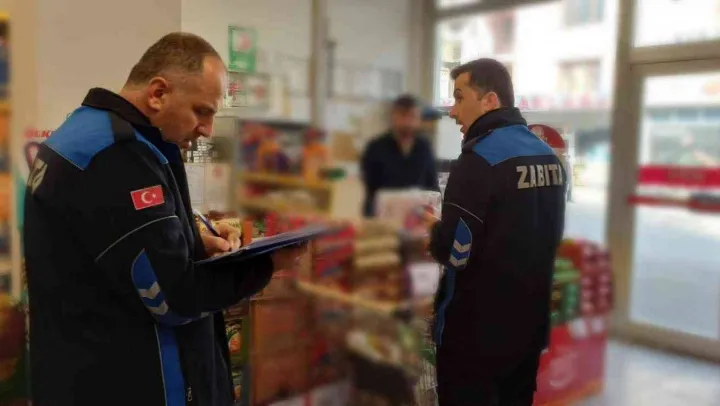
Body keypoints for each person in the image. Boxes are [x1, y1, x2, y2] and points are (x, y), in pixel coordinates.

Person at [23, 32, 304, 406]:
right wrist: (266, 265)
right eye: (201, 111)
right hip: (126, 381)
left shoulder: (86, 131)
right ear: (157, 93)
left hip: (79, 369)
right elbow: (175, 296)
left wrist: (191, 238)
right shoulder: (117, 157)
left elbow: (112, 243)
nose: (207, 129)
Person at [427, 58, 566, 405]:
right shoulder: (548, 157)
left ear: (490, 100)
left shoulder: (478, 160)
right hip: (529, 327)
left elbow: (456, 252)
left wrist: (431, 229)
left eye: (460, 98)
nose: (453, 111)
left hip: (475, 338)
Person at [361, 94, 440, 217]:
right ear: (393, 116)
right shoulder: (376, 147)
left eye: (412, 116)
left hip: (417, 216)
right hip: (383, 215)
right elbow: (371, 190)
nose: (407, 122)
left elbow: (432, 185)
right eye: (403, 115)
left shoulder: (424, 147)